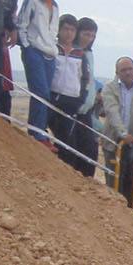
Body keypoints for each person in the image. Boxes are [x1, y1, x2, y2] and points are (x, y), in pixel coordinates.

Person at [100, 56, 133, 207]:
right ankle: (113, 206)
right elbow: (112, 112)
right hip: (113, 137)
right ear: (117, 72)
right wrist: (123, 133)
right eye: (123, 70)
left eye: (130, 69)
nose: (128, 73)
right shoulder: (109, 87)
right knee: (113, 174)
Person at [46, 14, 87, 169]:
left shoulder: (80, 54)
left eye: (72, 30)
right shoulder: (53, 48)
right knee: (48, 131)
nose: (68, 33)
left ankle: (67, 169)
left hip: (71, 99)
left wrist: (80, 99)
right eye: (65, 29)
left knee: (67, 138)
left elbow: (85, 79)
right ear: (59, 30)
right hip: (53, 96)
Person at [16, 0, 59, 146]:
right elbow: (21, 23)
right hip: (34, 50)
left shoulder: (55, 6)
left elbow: (52, 31)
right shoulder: (32, 2)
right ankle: (36, 133)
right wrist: (27, 48)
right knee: (40, 93)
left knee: (46, 95)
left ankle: (41, 131)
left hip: (50, 54)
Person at [70, 16, 99, 176]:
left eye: (92, 35)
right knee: (72, 150)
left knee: (90, 152)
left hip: (87, 109)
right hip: (74, 107)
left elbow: (91, 80)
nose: (89, 38)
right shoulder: (72, 51)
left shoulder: (89, 53)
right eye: (86, 34)